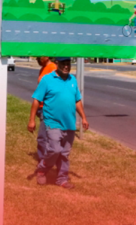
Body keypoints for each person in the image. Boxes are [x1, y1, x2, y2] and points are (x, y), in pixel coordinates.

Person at [28, 57, 88, 190]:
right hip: (52, 121)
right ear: (57, 64)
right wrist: (31, 120)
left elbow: (77, 100)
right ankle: (42, 169)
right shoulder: (47, 80)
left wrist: (83, 117)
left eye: (68, 64)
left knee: (64, 154)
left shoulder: (72, 80)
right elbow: (36, 100)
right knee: (54, 149)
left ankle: (62, 179)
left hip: (69, 123)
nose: (66, 67)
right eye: (63, 64)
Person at [34, 57, 57, 161]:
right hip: (41, 106)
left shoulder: (52, 68)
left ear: (46, 56)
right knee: (44, 137)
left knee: (43, 137)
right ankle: (47, 159)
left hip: (48, 107)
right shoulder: (43, 68)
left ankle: (44, 162)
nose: (37, 59)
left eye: (39, 56)